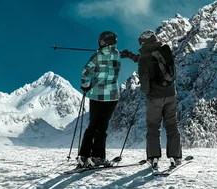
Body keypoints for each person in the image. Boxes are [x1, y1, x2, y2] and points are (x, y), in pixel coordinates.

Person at [120, 30, 182, 169]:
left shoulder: (144, 57)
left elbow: (144, 77)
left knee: (153, 128)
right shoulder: (164, 51)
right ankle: (175, 157)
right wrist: (130, 55)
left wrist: (144, 91)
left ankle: (154, 158)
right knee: (172, 126)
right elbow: (150, 62)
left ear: (144, 42)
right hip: (171, 94)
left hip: (155, 97)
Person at [77, 31, 121, 168]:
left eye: (101, 41)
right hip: (113, 96)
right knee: (103, 127)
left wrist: (85, 86)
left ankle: (84, 156)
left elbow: (85, 72)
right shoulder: (117, 55)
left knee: (93, 125)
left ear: (104, 41)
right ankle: (98, 157)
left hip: (97, 95)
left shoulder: (97, 56)